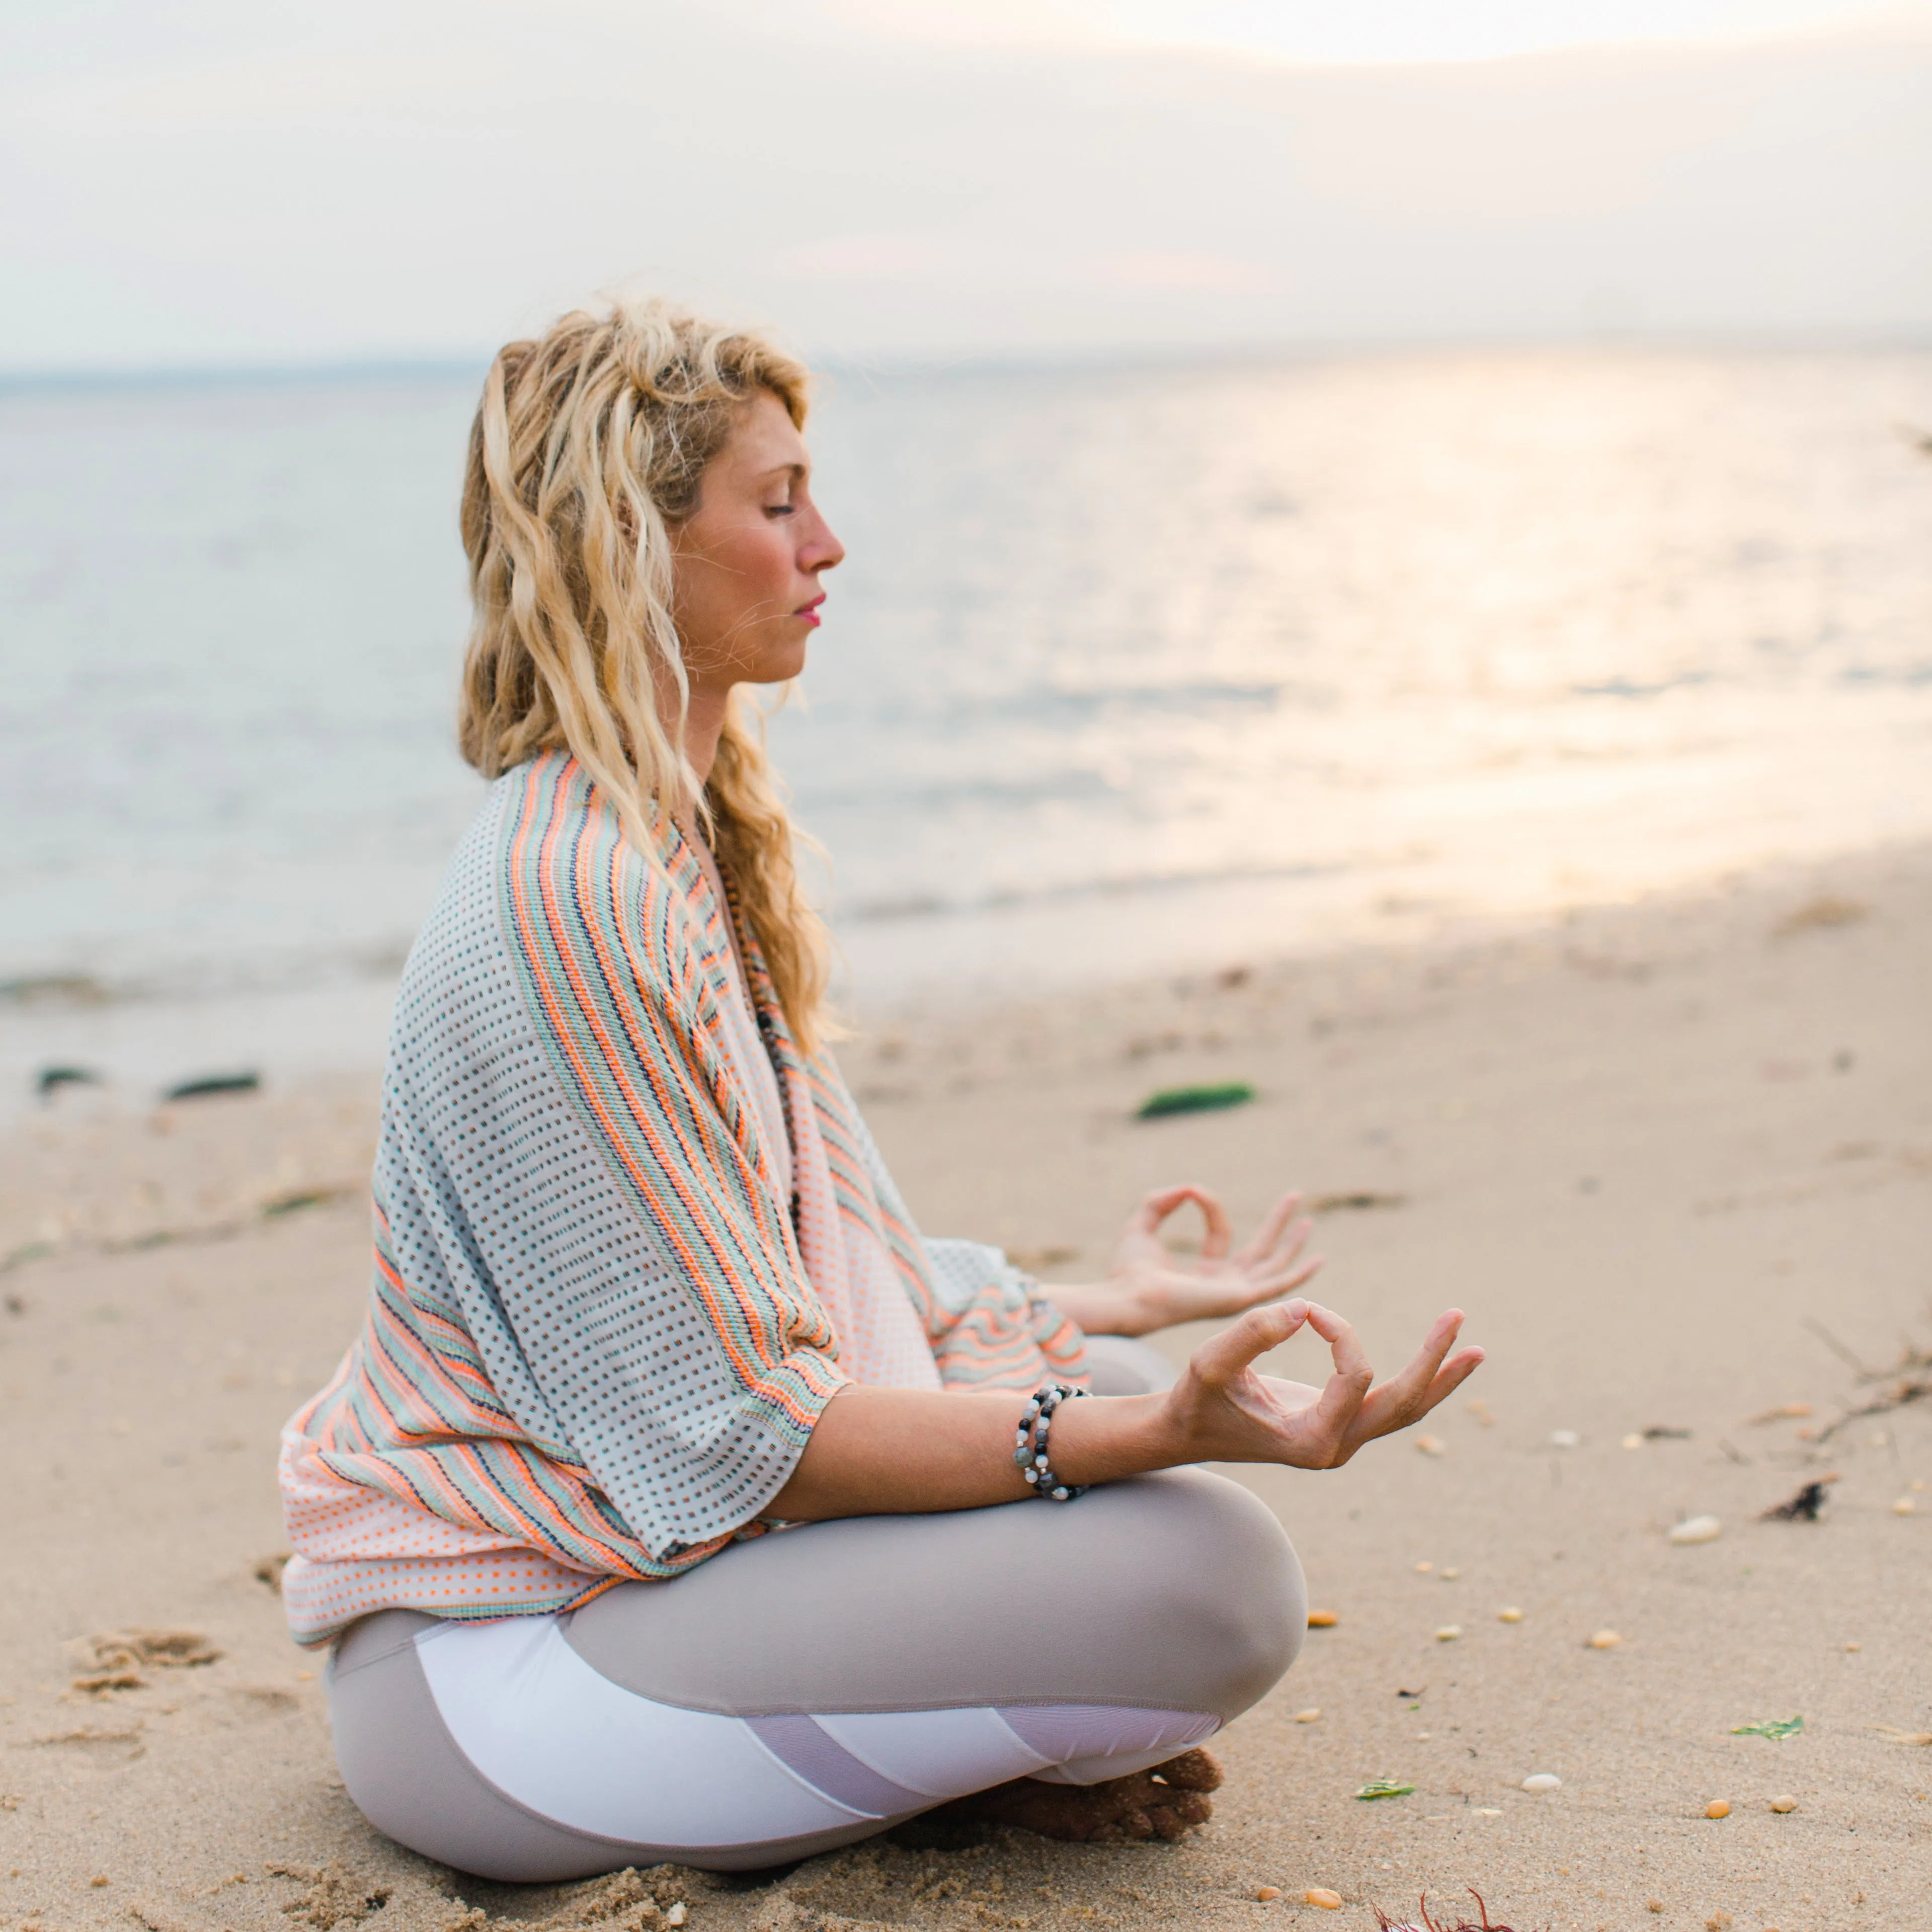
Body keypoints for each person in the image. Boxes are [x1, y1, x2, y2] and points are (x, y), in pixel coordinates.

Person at [279, 299, 1483, 1884]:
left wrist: (1112, 1310)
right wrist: (1158, 1434)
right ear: (629, 547)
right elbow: (752, 1439)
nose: (828, 543)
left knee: (1102, 1423)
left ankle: (952, 1747)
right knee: (1212, 1579)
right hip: (511, 1670)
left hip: (644, 1582)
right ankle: (959, 1759)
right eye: (776, 505)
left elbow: (770, 1296)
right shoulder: (574, 897)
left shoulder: (678, 841)